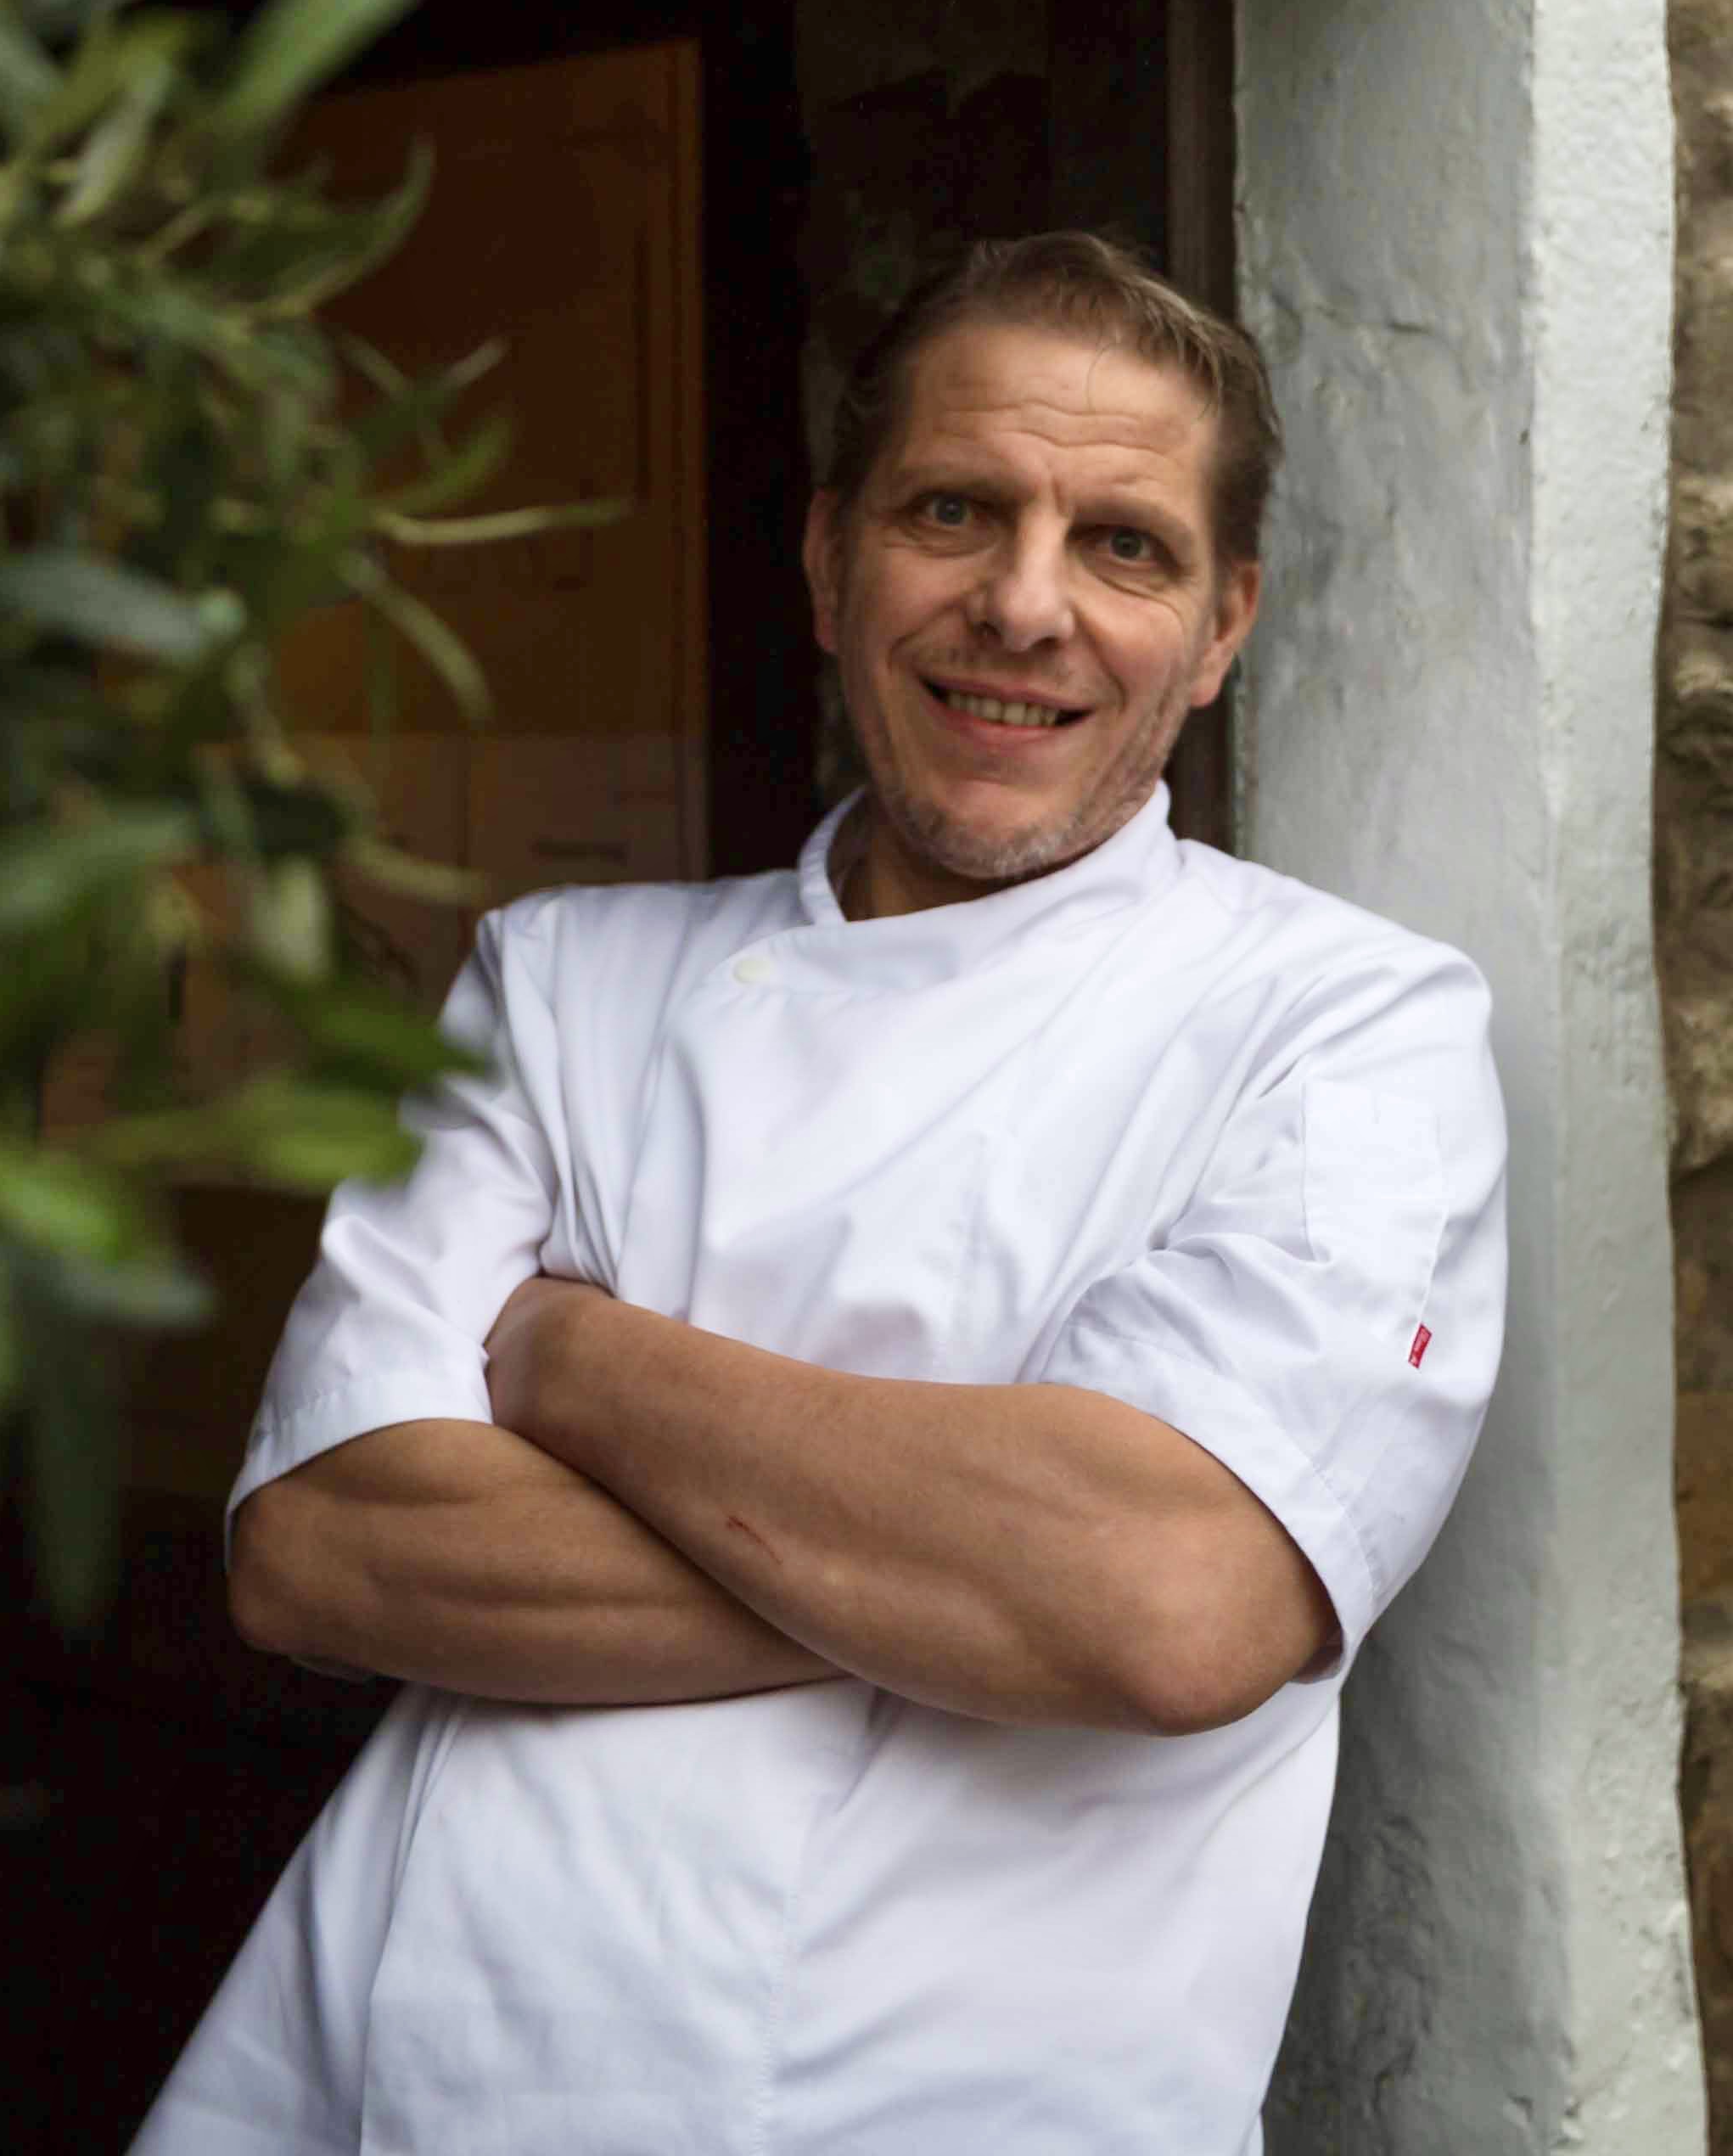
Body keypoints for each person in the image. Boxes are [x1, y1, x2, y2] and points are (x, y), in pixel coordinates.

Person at [128, 232, 1510, 2156]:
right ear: (828, 559)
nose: (1024, 606)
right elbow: (325, 1555)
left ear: (1220, 630)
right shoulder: (559, 976)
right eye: (955, 510)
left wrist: (569, 1356)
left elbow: (1172, 1602)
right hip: (389, 2081)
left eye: (1123, 544)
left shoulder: (1343, 1026)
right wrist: (981, 1581)